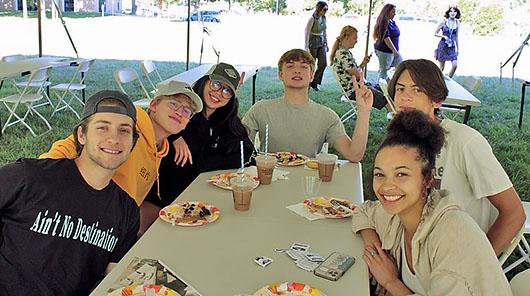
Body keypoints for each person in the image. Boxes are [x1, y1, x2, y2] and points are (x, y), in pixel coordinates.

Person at [352, 109, 512, 295]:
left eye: (401, 174)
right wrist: (375, 252)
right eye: (380, 174)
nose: (387, 187)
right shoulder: (398, 215)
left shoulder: (451, 234)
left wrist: (390, 281)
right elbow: (363, 211)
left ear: (428, 179)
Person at [0, 91, 141, 295]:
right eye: (102, 127)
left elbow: (112, 281)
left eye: (124, 131)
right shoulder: (28, 177)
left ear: (132, 143)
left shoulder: (127, 212)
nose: (114, 139)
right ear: (81, 135)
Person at [387, 59, 525, 255]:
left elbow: (513, 212)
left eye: (417, 90)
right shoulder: (399, 142)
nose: (405, 97)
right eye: (400, 89)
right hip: (409, 255)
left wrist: (477, 266)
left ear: (437, 100)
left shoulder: (464, 141)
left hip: (452, 257)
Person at [40, 80, 203, 234]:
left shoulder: (160, 148)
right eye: (173, 104)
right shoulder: (129, 125)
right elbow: (72, 146)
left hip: (120, 225)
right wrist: (40, 172)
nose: (179, 112)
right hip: (87, 222)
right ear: (153, 105)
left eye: (186, 111)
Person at [142, 63, 255, 224]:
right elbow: (154, 118)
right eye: (216, 84)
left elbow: (249, 154)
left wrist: (212, 161)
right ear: (205, 81)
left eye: (226, 91)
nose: (218, 93)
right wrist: (176, 137)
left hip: (205, 201)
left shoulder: (228, 122)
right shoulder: (183, 113)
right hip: (169, 201)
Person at [242, 48, 373, 162]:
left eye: (303, 67)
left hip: (309, 186)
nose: (297, 71)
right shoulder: (261, 109)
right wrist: (229, 104)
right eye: (290, 66)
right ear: (280, 75)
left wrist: (364, 111)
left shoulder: (327, 116)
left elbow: (353, 155)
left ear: (312, 76)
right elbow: (235, 146)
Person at [330, 25, 391, 112]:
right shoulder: (342, 54)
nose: (356, 41)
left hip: (358, 87)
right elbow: (358, 75)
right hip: (354, 91)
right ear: (347, 38)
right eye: (355, 38)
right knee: (383, 98)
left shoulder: (345, 52)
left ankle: (394, 115)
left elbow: (356, 71)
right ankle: (395, 117)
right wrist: (360, 69)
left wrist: (363, 63)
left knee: (384, 90)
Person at [373, 3, 402, 82]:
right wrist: (394, 50)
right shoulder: (383, 23)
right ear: (387, 12)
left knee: (400, 66)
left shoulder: (392, 22)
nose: (394, 14)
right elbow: (386, 38)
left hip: (393, 50)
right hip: (384, 51)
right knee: (384, 70)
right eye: (393, 12)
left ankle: (391, 83)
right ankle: (380, 87)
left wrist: (395, 51)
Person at [305, 1, 329, 91]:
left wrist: (326, 44)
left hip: (321, 40)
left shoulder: (324, 18)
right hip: (313, 40)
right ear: (319, 9)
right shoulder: (312, 18)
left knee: (323, 63)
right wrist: (306, 46)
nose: (326, 11)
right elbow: (306, 32)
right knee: (311, 63)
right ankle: (307, 83)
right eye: (324, 9)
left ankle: (314, 82)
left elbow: (325, 31)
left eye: (327, 9)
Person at [434, 5, 460, 78]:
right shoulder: (443, 22)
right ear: (448, 13)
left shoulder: (457, 23)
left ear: (457, 13)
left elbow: (457, 36)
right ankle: (438, 81)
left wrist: (458, 49)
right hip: (443, 45)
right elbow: (435, 33)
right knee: (441, 67)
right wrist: (443, 36)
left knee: (455, 65)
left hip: (452, 46)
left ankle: (449, 79)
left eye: (454, 12)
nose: (452, 13)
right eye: (451, 11)